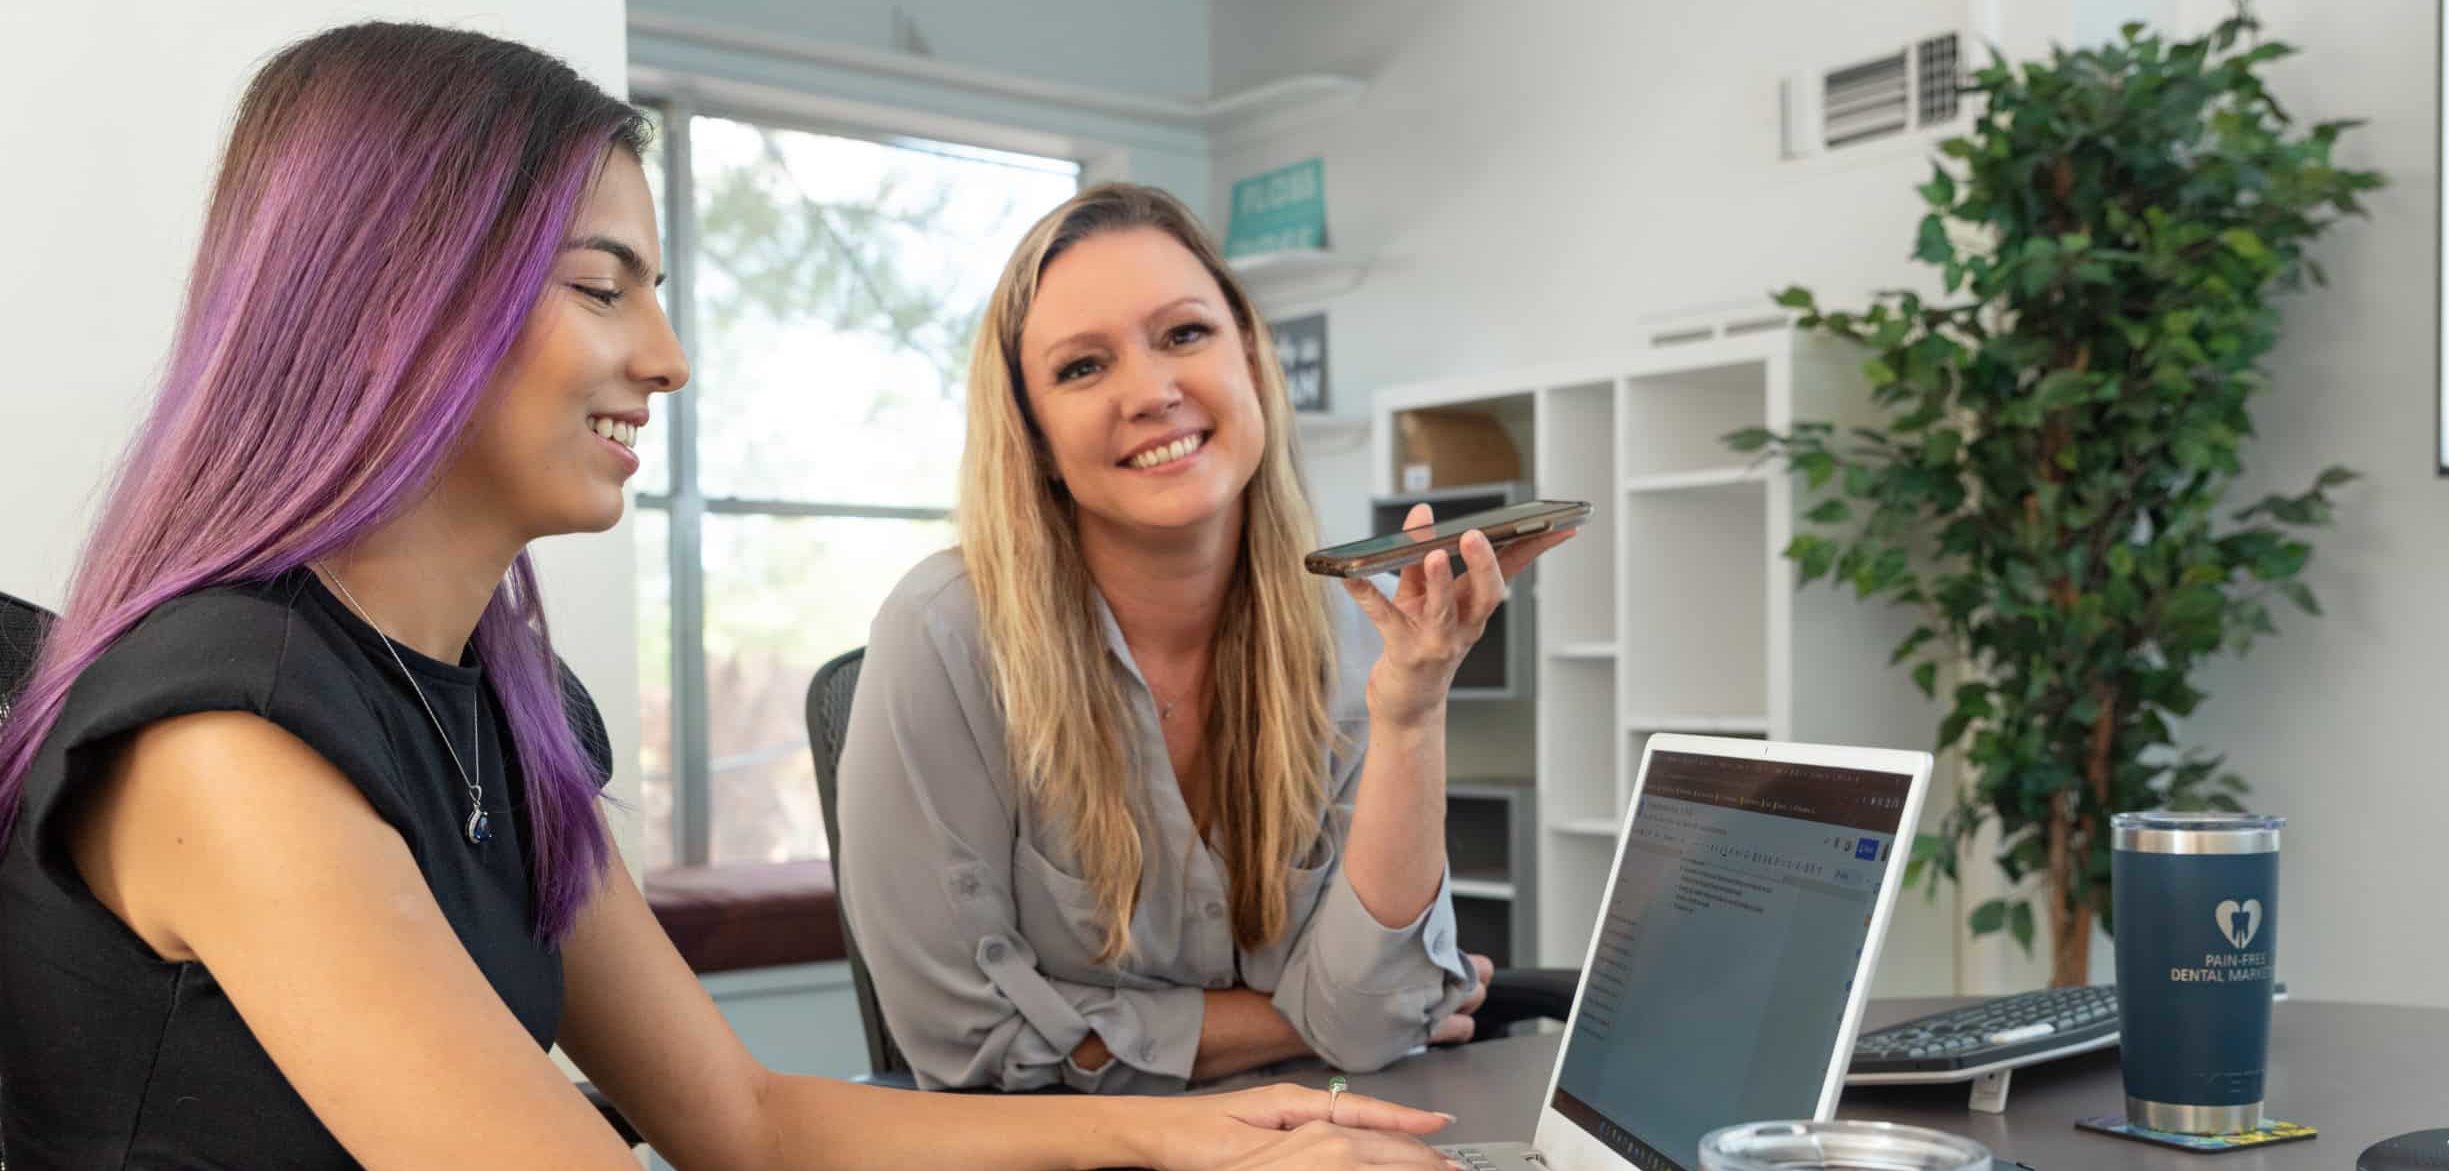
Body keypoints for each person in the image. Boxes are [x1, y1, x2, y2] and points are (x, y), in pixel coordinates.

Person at [0, 24, 1458, 1170]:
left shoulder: (504, 713)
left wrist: (1169, 1126)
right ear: (397, 299)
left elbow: (746, 1122)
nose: (669, 355)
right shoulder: (234, 742)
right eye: (602, 287)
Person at [836, 183, 1573, 1094]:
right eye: (1082, 368)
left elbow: (1377, 1016)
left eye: (1185, 334)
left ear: (1252, 357)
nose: (1152, 392)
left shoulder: (1348, 630)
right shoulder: (942, 635)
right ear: (1033, 434)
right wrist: (1291, 1019)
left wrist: (1412, 712)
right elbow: (968, 1040)